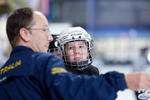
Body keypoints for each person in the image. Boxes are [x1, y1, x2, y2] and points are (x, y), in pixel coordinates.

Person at [1, 7, 150, 100]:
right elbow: (73, 90)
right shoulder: (42, 62)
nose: (50, 36)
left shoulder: (4, 73)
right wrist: (123, 80)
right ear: (25, 34)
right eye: (45, 29)